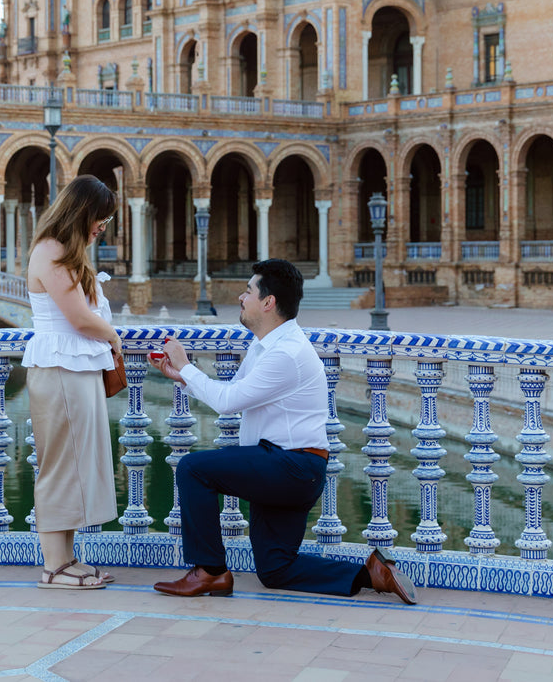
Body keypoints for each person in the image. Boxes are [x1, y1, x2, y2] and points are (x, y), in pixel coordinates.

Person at [149, 258, 416, 604]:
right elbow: (236, 395)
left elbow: (229, 401)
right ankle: (371, 574)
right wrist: (183, 378)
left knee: (192, 469)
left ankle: (210, 571)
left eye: (248, 291)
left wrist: (185, 364)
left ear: (268, 302)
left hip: (291, 467)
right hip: (287, 467)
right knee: (276, 569)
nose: (241, 298)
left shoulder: (286, 353)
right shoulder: (265, 346)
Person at [23, 174, 123, 590]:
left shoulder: (66, 252)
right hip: (61, 369)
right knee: (60, 463)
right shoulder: (50, 250)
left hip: (75, 368)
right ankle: (53, 565)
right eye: (100, 219)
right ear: (82, 212)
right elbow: (79, 318)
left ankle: (66, 558)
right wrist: (115, 338)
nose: (102, 227)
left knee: (76, 462)